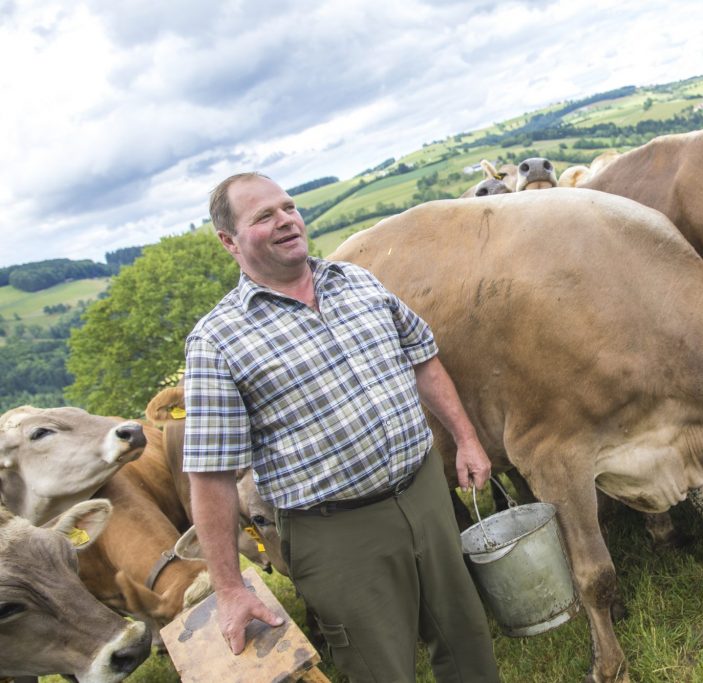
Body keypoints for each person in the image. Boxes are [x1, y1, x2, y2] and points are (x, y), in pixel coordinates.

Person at [183, 172, 501, 682]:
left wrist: (465, 439)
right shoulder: (217, 341)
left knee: (466, 640)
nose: (285, 219)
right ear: (229, 241)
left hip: (425, 493)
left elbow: (422, 359)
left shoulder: (356, 281)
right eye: (264, 216)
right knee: (381, 669)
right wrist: (228, 588)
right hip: (336, 533)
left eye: (287, 207)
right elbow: (212, 476)